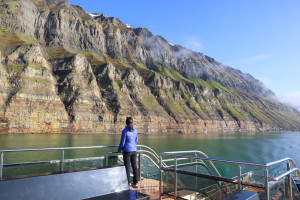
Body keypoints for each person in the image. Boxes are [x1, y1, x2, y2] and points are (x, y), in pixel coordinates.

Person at [118, 117, 139, 188]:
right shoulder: (135, 131)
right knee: (134, 167)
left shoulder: (125, 131)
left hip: (127, 151)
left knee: (127, 167)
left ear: (126, 123)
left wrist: (119, 149)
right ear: (132, 122)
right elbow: (136, 141)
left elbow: (122, 143)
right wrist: (133, 146)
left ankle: (128, 183)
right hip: (134, 150)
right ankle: (135, 183)